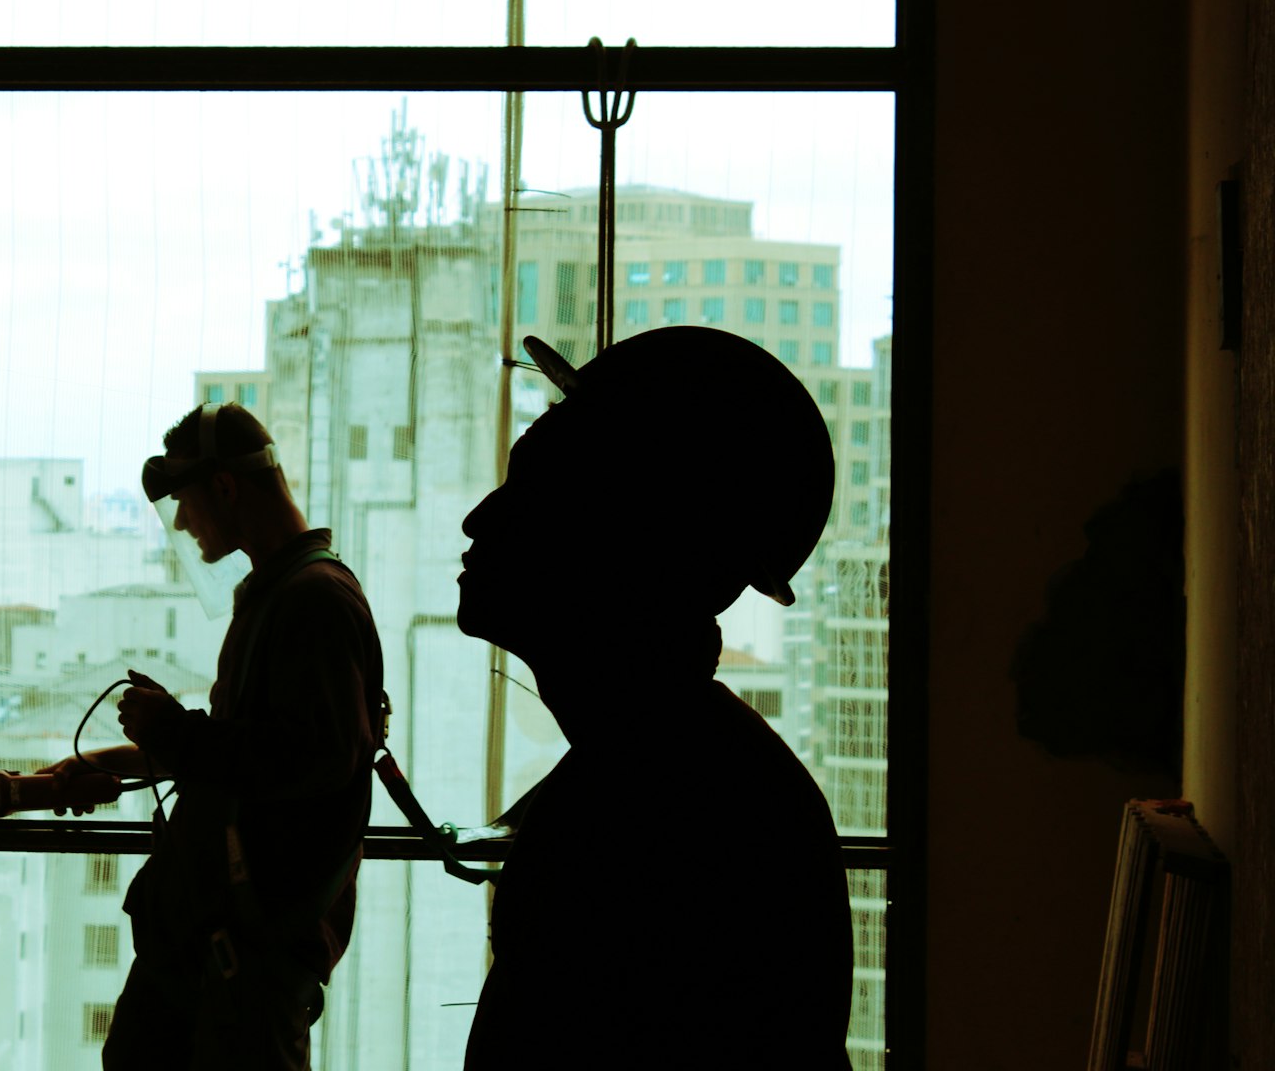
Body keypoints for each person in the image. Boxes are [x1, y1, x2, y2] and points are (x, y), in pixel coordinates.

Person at [458, 328, 852, 1070]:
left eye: (533, 490)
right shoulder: (689, 777)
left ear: (625, 538)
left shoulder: (653, 813)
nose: (479, 519)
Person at [43, 402, 384, 1071]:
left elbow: (313, 762)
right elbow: (241, 754)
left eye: (184, 501)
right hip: (208, 963)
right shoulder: (279, 595)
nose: (180, 523)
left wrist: (176, 732)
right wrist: (106, 763)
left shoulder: (313, 601)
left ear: (224, 488)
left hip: (245, 974)